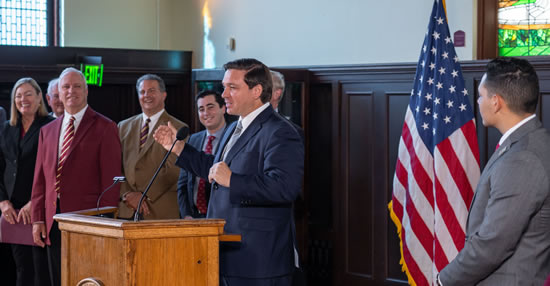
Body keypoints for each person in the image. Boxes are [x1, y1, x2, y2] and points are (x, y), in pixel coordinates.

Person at [154, 58, 304, 285]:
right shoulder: (235, 126)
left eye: (232, 87)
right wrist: (179, 149)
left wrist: (233, 180)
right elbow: (216, 171)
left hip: (258, 260)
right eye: (224, 87)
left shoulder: (280, 131)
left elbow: (283, 188)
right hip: (223, 251)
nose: (224, 94)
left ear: (257, 91)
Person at [438, 57, 550, 285]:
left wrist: (443, 280)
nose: (478, 101)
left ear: (496, 102)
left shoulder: (523, 158)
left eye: (481, 95)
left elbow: (493, 243)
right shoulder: (530, 141)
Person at [31, 67, 121, 286]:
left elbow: (111, 181)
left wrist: (104, 223)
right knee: (58, 279)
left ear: (86, 90)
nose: (72, 91)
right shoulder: (48, 131)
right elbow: (40, 180)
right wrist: (37, 218)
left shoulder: (105, 127)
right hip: (54, 220)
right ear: (58, 94)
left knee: (87, 279)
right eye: (66, 87)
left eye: (77, 86)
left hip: (88, 221)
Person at [0, 78, 54, 286]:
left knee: (42, 269)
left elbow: (54, 170)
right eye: (18, 95)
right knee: (21, 268)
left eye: (29, 94)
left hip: (39, 207)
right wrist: (3, 201)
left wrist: (36, 202)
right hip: (13, 210)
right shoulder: (6, 128)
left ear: (40, 97)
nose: (24, 99)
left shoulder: (50, 126)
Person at [118, 74, 187, 219]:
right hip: (126, 208)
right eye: (142, 92)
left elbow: (173, 171)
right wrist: (127, 195)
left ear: (163, 95)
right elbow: (117, 165)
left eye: (152, 91)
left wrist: (143, 195)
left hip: (158, 209)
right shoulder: (123, 126)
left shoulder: (178, 127)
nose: (146, 95)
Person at [177, 90, 227, 219]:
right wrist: (186, 215)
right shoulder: (192, 140)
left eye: (210, 107)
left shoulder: (233, 138)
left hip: (222, 217)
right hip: (194, 217)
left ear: (223, 108)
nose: (206, 113)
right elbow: (182, 184)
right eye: (201, 109)